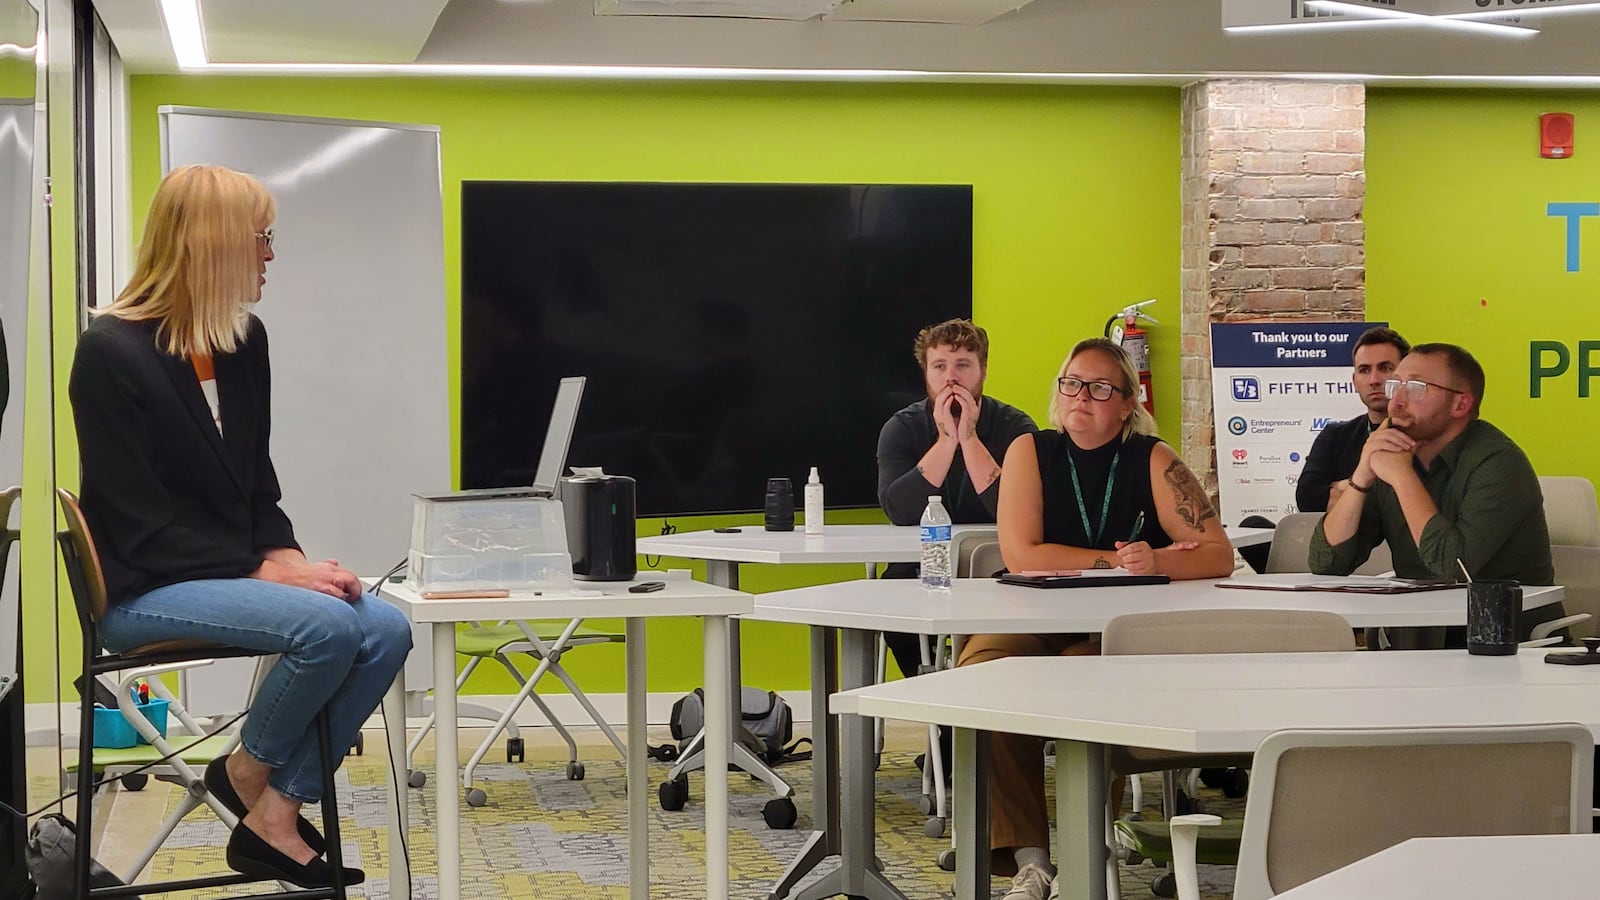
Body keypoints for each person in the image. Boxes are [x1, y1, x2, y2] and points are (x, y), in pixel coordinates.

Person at [68, 165, 412, 889]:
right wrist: (274, 575)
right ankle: (254, 783)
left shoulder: (240, 341)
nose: (270, 255)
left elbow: (256, 484)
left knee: (384, 627)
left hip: (225, 569)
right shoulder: (109, 353)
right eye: (261, 239)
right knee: (329, 628)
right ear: (216, 245)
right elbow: (140, 525)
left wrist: (292, 558)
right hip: (143, 587)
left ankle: (271, 804)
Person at [972, 337, 1234, 899]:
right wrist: (1115, 559)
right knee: (983, 669)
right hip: (1034, 616)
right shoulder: (1029, 451)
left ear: (1126, 403)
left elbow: (1218, 553)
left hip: (1113, 627)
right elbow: (1023, 554)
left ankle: (1086, 851)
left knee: (1090, 676)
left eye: (1098, 387)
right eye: (1070, 383)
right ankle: (1031, 860)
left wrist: (1158, 559)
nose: (1080, 396)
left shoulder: (1153, 458)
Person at [1308, 342, 1561, 648]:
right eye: (1395, 386)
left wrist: (1403, 477)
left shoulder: (1499, 463)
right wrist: (1361, 476)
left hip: (1506, 646)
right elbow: (1327, 562)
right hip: (1419, 640)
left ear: (1460, 405)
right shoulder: (1391, 457)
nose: (1396, 401)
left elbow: (1453, 568)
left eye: (1415, 388)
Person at [875, 318, 1037, 774]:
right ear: (925, 374)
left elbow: (1018, 509)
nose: (951, 377)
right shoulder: (902, 428)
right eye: (940, 365)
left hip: (998, 569)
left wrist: (969, 438)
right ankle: (946, 724)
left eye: (963, 365)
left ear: (982, 372)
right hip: (922, 567)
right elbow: (898, 509)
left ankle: (986, 722)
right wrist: (947, 440)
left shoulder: (1015, 427)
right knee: (894, 608)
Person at [1295, 326, 1411, 514]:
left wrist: (1341, 487)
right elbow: (1308, 499)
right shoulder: (1336, 436)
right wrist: (1364, 485)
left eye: (1385, 368)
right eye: (1364, 370)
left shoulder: (1426, 432)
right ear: (1354, 381)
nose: (1374, 379)